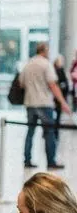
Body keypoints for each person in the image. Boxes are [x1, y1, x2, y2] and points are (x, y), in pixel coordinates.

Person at [19, 42, 70, 171]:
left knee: (30, 132)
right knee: (49, 133)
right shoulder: (46, 64)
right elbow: (53, 85)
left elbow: (21, 84)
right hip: (44, 103)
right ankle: (51, 161)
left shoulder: (28, 64)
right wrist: (63, 102)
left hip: (30, 103)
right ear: (45, 50)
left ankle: (27, 160)